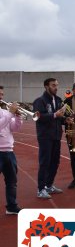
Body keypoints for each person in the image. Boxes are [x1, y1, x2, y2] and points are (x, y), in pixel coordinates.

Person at [33, 78, 66, 199]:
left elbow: (58, 117)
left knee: (55, 162)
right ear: (46, 86)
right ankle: (40, 189)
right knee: (44, 162)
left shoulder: (58, 100)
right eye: (53, 85)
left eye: (57, 85)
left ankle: (49, 185)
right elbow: (38, 117)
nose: (56, 87)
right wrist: (54, 115)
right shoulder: (39, 101)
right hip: (45, 137)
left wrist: (64, 119)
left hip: (57, 135)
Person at [0, 86, 23, 214]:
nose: (1, 97)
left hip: (9, 152)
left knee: (12, 182)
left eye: (2, 94)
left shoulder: (4, 112)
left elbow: (14, 128)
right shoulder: (6, 113)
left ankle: (11, 206)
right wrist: (10, 113)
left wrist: (18, 117)